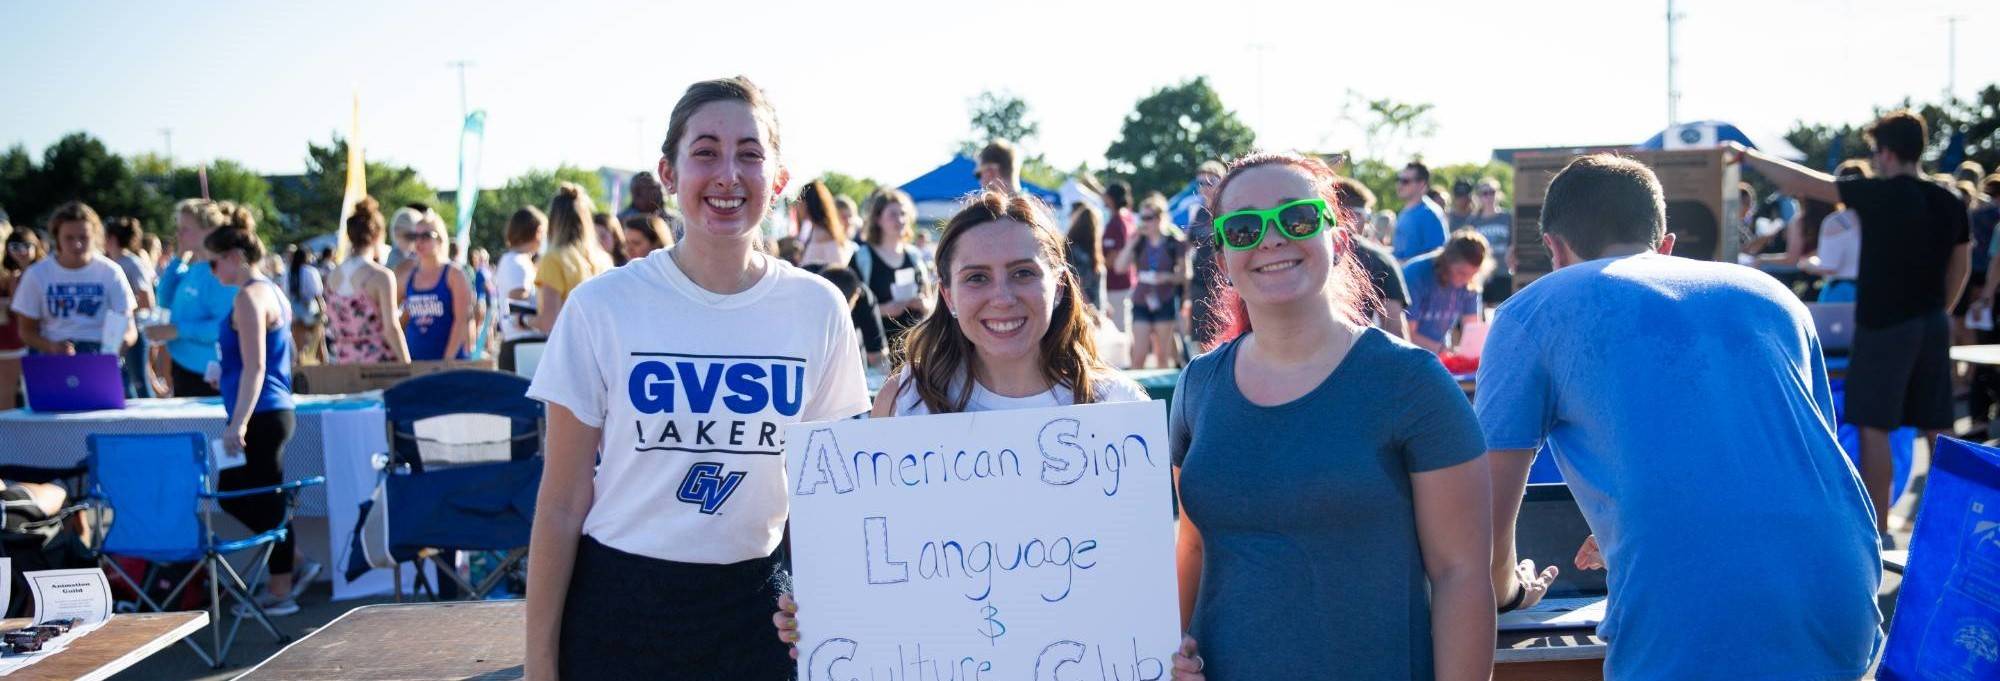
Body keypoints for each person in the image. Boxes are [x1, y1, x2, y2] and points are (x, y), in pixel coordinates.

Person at [1479, 154, 1882, 680]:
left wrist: (1509, 590)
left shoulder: (1533, 310)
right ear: (1665, 244)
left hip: (1692, 613)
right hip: (1844, 589)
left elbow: (1482, 515)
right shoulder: (1775, 297)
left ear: (1553, 249)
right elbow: (1793, 463)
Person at [523, 76, 869, 681]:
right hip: (620, 606)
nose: (728, 174)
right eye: (705, 152)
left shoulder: (817, 309)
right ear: (668, 173)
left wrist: (831, 603)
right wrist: (539, 664)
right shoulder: (601, 306)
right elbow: (560, 502)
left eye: (750, 154)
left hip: (759, 611)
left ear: (780, 179)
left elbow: (829, 499)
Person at [769, 190, 1152, 651]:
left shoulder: (1116, 408)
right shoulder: (907, 402)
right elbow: (869, 556)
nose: (1002, 297)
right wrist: (824, 610)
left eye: (1023, 273)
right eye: (977, 278)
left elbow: (1137, 577)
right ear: (947, 296)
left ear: (1060, 284)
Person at [1170, 153, 1493, 680]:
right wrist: (1169, 652)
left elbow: (1461, 576)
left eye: (1295, 219)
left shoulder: (1411, 383)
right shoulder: (1198, 386)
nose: (1270, 239)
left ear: (1339, 239)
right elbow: (1194, 545)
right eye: (1245, 227)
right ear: (1224, 256)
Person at [1740, 110, 1971, 537]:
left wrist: (1748, 156)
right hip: (1932, 323)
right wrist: (1943, 310)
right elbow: (1962, 262)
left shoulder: (1878, 194)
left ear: (1884, 152)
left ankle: (1878, 530)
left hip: (1884, 323)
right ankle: (1958, 527)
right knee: (1939, 428)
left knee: (1873, 425)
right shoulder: (1949, 199)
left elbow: (1804, 183)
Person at [205, 206, 320, 616]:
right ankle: (295, 566)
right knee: (239, 495)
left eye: (214, 262)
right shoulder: (269, 290)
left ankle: (281, 588)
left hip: (262, 413)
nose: (212, 270)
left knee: (258, 498)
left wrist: (239, 422)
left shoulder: (250, 297)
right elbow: (264, 359)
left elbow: (257, 366)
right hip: (268, 408)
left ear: (234, 256)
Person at [11, 202, 135, 359]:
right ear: (57, 237)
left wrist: (117, 346)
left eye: (84, 237)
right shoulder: (36, 274)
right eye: (69, 238)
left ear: (95, 236)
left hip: (98, 353)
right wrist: (50, 346)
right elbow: (26, 331)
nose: (77, 244)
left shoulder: (111, 272)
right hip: (51, 354)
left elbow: (129, 328)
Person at [150, 200, 238, 396]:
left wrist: (178, 330)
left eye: (186, 229)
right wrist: (180, 256)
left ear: (209, 230)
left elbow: (224, 327)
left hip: (210, 377)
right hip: (185, 370)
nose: (178, 234)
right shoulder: (194, 268)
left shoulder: (221, 274)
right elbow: (164, 298)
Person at [324, 198, 411, 364]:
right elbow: (391, 329)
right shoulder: (381, 277)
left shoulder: (332, 276)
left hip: (344, 363)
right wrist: (408, 366)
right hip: (378, 365)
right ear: (377, 235)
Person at [1329, 176, 1411, 340]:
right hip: (1357, 356)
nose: (1367, 224)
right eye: (1367, 217)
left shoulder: (1301, 255)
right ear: (1353, 216)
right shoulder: (1380, 259)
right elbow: (1395, 331)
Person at [850, 188, 931, 353]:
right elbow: (851, 308)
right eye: (893, 214)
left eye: (903, 213)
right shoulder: (862, 257)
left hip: (916, 350)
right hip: (877, 355)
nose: (900, 219)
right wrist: (884, 310)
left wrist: (923, 304)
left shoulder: (915, 256)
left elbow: (930, 301)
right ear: (877, 219)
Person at [529, 183, 615, 336]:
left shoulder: (553, 259)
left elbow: (549, 321)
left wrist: (523, 320)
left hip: (571, 349)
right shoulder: (604, 259)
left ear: (554, 220)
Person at [1118, 193, 1189, 369]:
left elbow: (1185, 275)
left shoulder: (1174, 242)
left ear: (1159, 218)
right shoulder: (1139, 242)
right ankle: (1138, 396)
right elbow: (1119, 267)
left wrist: (1167, 277)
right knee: (1138, 357)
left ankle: (1161, 396)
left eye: (1148, 218)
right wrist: (1130, 243)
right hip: (1141, 300)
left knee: (1162, 358)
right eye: (1142, 218)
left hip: (1164, 301)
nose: (1144, 222)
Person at [397, 209, 473, 361]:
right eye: (415, 236)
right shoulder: (408, 276)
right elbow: (394, 316)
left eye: (426, 236)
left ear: (440, 239)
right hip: (415, 363)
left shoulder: (454, 274)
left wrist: (446, 363)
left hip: (449, 365)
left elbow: (461, 321)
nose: (419, 241)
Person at [1402, 231, 1490, 354]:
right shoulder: (1415, 275)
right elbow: (1405, 333)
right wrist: (1442, 351)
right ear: (1447, 261)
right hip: (1408, 353)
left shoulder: (1470, 282)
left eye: (1472, 275)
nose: (1465, 280)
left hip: (1439, 349)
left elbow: (1472, 330)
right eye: (1461, 273)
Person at [1800, 160, 1871, 303]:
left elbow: (1829, 267)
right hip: (1872, 292)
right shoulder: (1879, 218)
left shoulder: (1835, 222)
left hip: (1841, 294)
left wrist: (1806, 263)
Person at [104, 217, 157, 396]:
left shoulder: (131, 262)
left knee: (139, 381)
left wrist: (122, 306)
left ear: (111, 238)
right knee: (122, 383)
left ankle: (150, 423)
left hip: (134, 330)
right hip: (114, 332)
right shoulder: (110, 263)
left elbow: (147, 301)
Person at [0, 228, 47, 410]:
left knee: (38, 394)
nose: (21, 251)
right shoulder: (9, 277)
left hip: (42, 341)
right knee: (10, 394)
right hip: (15, 343)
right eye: (15, 246)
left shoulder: (45, 273)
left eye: (27, 245)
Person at [1184, 160, 1229, 350]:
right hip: (1200, 283)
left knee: (1227, 333)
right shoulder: (1198, 212)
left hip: (1226, 282)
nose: (1204, 187)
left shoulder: (1229, 208)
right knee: (1203, 338)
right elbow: (1187, 246)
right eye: (1200, 183)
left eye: (1210, 182)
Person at [497, 207, 546, 372]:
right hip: (524, 346)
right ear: (538, 232)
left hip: (520, 345)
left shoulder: (515, 260)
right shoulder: (518, 262)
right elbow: (517, 307)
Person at [1466, 178, 1513, 305]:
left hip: (1503, 272)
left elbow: (1514, 242)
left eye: (1492, 192)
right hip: (1481, 274)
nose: (1488, 196)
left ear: (1498, 194)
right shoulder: (1473, 221)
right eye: (1484, 193)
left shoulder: (1507, 217)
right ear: (1479, 197)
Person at [1393, 161, 1449, 261]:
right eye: (1398, 180)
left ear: (1421, 184)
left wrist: (1401, 264)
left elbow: (1437, 255)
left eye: (1405, 181)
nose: (1399, 185)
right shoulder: (1405, 212)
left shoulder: (1429, 213)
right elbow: (1401, 252)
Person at [794, 180, 852, 271]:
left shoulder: (821, 234)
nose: (797, 206)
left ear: (806, 204)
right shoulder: (824, 231)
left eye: (800, 201)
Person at [1101, 181, 1135, 332]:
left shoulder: (1117, 222)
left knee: (1118, 331)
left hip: (1117, 285)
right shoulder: (1126, 216)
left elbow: (1114, 255)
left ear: (1111, 198)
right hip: (1124, 282)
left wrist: (1096, 268)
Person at [285, 244, 327, 366]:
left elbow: (287, 293)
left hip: (295, 312)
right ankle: (324, 371)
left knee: (299, 349)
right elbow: (317, 293)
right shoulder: (311, 271)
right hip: (311, 311)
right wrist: (322, 309)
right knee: (319, 344)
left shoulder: (289, 273)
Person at [1064, 203, 1107, 311]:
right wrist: (1091, 309)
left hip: (1090, 308)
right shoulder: (1079, 252)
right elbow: (1076, 283)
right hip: (1084, 311)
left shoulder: (1086, 250)